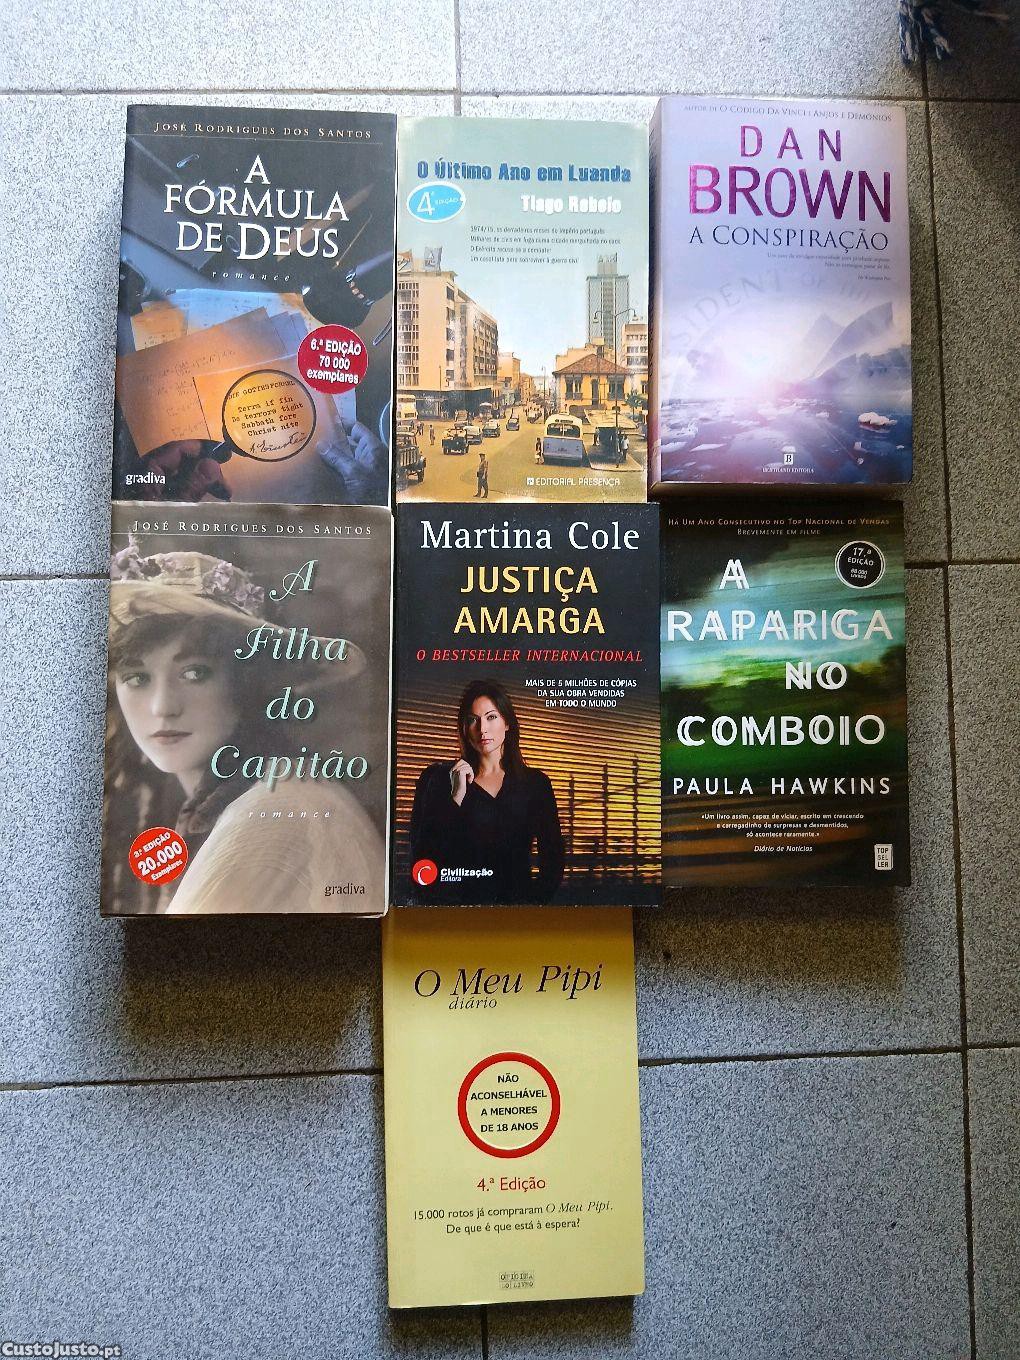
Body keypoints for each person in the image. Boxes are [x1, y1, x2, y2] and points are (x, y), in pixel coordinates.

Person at [103, 538, 381, 915]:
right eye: (137, 678)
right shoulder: (263, 791)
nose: (162, 707)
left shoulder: (275, 812)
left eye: (195, 673)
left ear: (246, 681)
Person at [407, 679, 565, 904]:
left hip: (517, 912)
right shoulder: (439, 779)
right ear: (464, 727)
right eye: (473, 719)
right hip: (457, 912)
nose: (482, 729)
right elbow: (423, 861)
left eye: (491, 717)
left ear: (507, 722)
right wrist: (455, 798)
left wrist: (532, 906)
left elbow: (553, 859)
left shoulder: (536, 784)